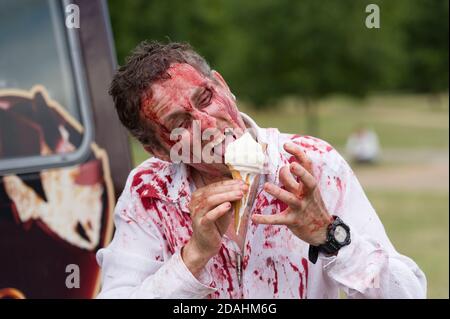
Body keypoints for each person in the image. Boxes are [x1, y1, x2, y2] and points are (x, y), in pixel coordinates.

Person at [96, 41, 426, 298]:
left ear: (223, 86)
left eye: (206, 98)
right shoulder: (149, 192)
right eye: (180, 123)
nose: (208, 124)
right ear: (158, 150)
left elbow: (408, 293)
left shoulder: (313, 164)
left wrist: (328, 234)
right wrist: (193, 255)